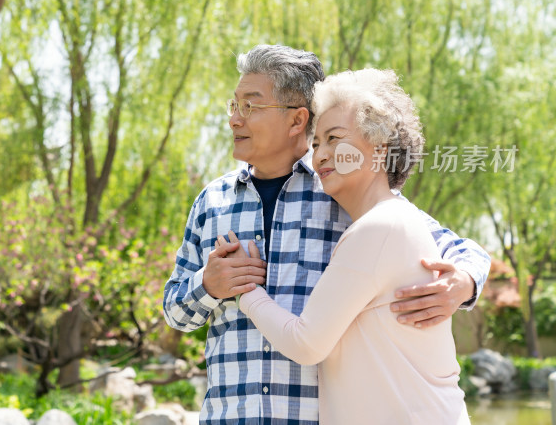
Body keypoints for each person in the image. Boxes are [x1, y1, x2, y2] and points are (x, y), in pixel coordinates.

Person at [162, 45, 490, 424]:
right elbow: (174, 311)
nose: (235, 119)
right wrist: (208, 283)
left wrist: (464, 283)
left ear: (297, 120)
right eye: (233, 106)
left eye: (250, 107)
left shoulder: (344, 189)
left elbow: (459, 248)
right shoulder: (211, 202)